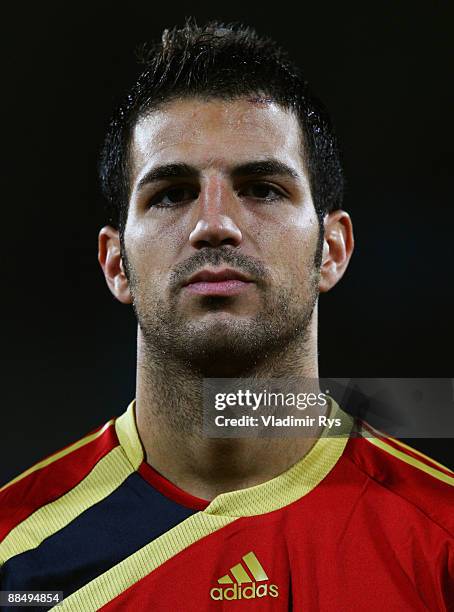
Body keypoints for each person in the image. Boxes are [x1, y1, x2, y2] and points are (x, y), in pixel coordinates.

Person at [0, 20, 452, 611]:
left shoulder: (439, 542)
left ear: (333, 250)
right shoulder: (17, 554)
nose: (215, 224)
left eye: (262, 188)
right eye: (171, 194)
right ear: (115, 263)